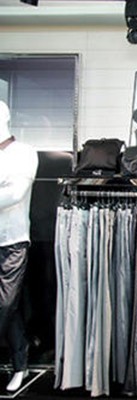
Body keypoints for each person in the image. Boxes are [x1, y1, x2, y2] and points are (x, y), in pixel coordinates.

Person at [0, 100, 38, 392]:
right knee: (10, 311)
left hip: (12, 242)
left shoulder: (25, 153)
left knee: (4, 305)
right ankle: (20, 364)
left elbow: (15, 193)